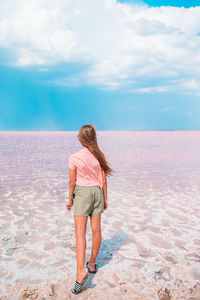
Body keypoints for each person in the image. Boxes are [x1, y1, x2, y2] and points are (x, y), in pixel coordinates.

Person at [66, 123, 114, 294]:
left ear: (81, 138)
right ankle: (92, 263)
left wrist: (70, 199)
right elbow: (104, 180)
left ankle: (80, 271)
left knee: (80, 234)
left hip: (83, 194)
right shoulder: (99, 156)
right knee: (96, 230)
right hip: (97, 193)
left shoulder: (74, 157)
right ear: (94, 138)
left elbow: (72, 182)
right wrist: (105, 198)